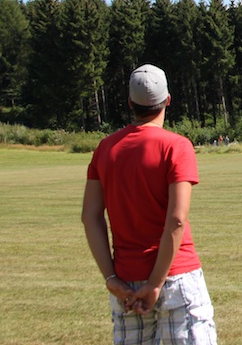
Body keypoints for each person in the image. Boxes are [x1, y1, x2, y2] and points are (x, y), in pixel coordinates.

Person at [82, 64, 217, 344]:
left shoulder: (105, 149)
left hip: (126, 283)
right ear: (168, 100)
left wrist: (110, 277)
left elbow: (90, 216)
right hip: (177, 276)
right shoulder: (176, 146)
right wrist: (155, 283)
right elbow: (176, 219)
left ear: (130, 103)